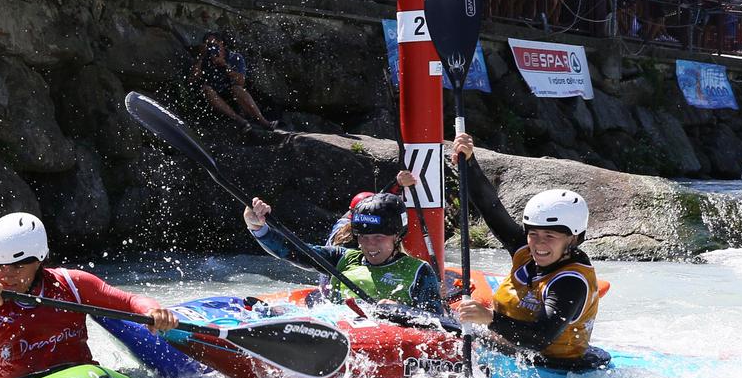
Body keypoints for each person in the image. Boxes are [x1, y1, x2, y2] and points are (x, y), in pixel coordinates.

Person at [0, 212, 179, 378]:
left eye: (18, 266)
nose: (6, 276)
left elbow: (130, 301)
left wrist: (153, 311)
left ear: (39, 259)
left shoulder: (71, 284)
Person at [451, 133, 600, 364]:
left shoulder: (570, 283)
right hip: (507, 351)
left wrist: (489, 318)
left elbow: (540, 338)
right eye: (533, 234)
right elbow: (491, 208)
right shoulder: (526, 251)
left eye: (550, 236)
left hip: (554, 372)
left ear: (573, 238)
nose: (539, 244)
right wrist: (469, 162)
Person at [243, 191, 443, 314]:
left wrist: (402, 311)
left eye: (378, 238)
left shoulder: (419, 271)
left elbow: (439, 321)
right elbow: (293, 251)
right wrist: (259, 229)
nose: (370, 245)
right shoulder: (342, 258)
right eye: (363, 237)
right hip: (334, 331)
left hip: (382, 343)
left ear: (397, 236)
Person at [192, 31, 278, 132]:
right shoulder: (204, 59)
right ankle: (240, 121)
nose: (212, 48)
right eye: (209, 45)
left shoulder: (235, 58)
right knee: (207, 89)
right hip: (214, 97)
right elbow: (193, 79)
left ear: (221, 43)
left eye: (214, 44)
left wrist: (225, 67)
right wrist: (201, 57)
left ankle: (264, 122)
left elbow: (241, 82)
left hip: (233, 96)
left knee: (236, 88)